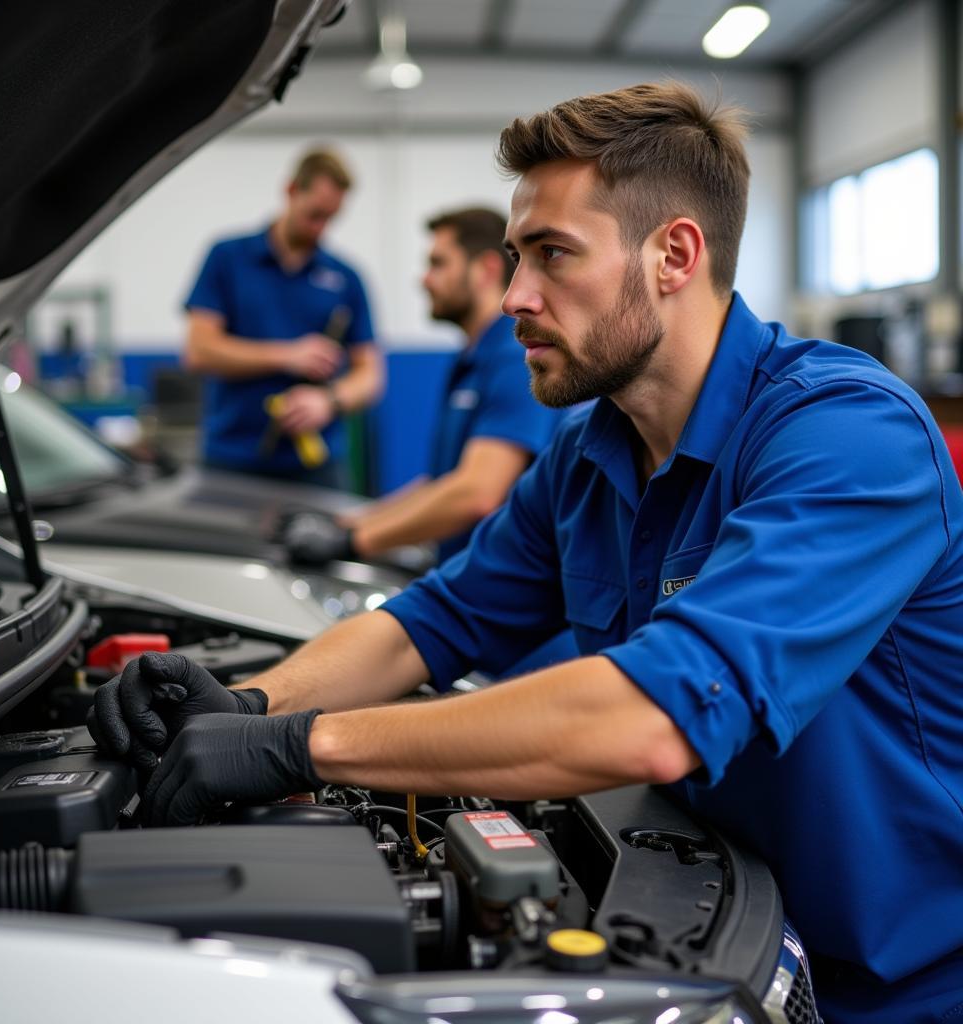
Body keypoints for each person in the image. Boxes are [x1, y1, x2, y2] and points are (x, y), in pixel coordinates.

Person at [91, 83, 963, 1024]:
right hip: (721, 930)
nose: (514, 296)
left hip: (901, 989)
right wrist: (256, 701)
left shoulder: (846, 435)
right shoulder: (591, 452)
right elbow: (434, 619)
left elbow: (654, 713)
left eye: (553, 255)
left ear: (674, 254)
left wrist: (299, 747)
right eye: (514, 258)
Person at [282, 207, 562, 565]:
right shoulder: (470, 359)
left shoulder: (511, 359)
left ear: (486, 270)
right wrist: (347, 523)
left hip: (503, 589)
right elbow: (441, 483)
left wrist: (352, 541)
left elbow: (476, 492)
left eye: (438, 263)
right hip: (461, 573)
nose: (424, 280)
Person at [183, 149, 384, 488]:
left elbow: (370, 376)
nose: (320, 228)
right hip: (230, 460)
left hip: (315, 465)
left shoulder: (346, 278)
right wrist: (289, 356)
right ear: (291, 190)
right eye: (315, 214)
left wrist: (329, 401)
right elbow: (198, 351)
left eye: (331, 218)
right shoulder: (227, 259)